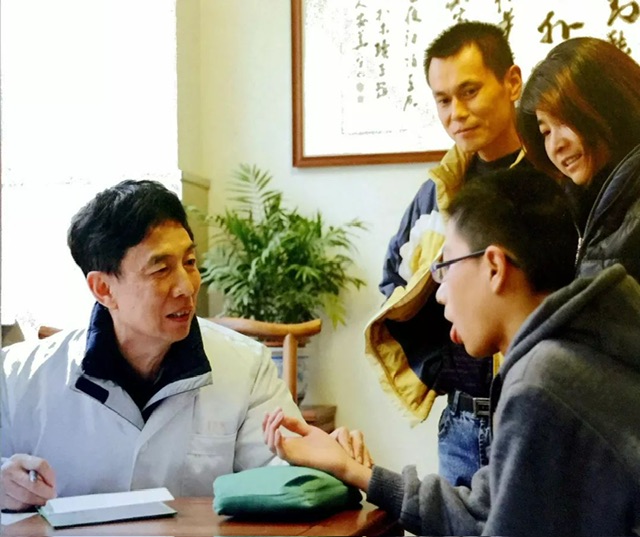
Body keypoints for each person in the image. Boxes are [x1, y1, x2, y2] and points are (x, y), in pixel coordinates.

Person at [265, 167, 640, 536]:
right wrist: (353, 469)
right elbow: (482, 512)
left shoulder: (541, 382)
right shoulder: (575, 352)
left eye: (445, 266)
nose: (440, 293)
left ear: (494, 267)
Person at [0, 179, 304, 511]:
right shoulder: (16, 378)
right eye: (161, 269)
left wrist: (329, 466)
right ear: (103, 289)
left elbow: (289, 481)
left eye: (190, 262)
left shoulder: (246, 366)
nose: (186, 287)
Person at [366, 21, 526, 487]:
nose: (457, 113)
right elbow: (395, 283)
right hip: (462, 423)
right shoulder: (438, 194)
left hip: (535, 412)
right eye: (443, 100)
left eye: (470, 92)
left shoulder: (552, 178)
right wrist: (444, 363)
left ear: (512, 82)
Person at [517, 36, 640, 280]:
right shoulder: (581, 204)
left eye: (564, 121)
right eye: (546, 131)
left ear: (611, 106)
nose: (556, 145)